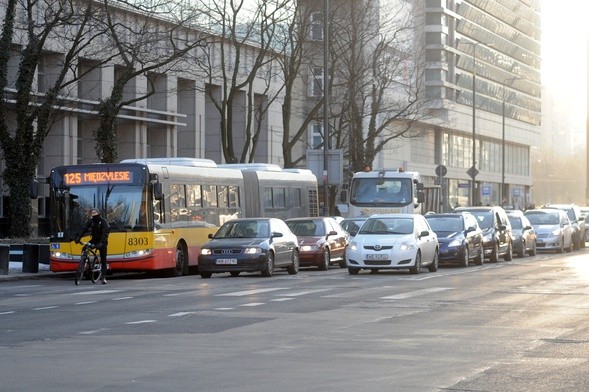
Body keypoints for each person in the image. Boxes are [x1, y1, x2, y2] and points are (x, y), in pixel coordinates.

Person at [75, 208, 110, 284]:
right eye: (92, 213)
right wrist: (78, 237)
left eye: (95, 212)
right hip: (94, 240)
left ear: (98, 213)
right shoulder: (90, 221)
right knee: (85, 248)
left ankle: (103, 277)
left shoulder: (103, 221)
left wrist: (101, 243)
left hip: (102, 241)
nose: (93, 214)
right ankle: (83, 262)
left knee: (103, 259)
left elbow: (105, 233)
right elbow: (84, 229)